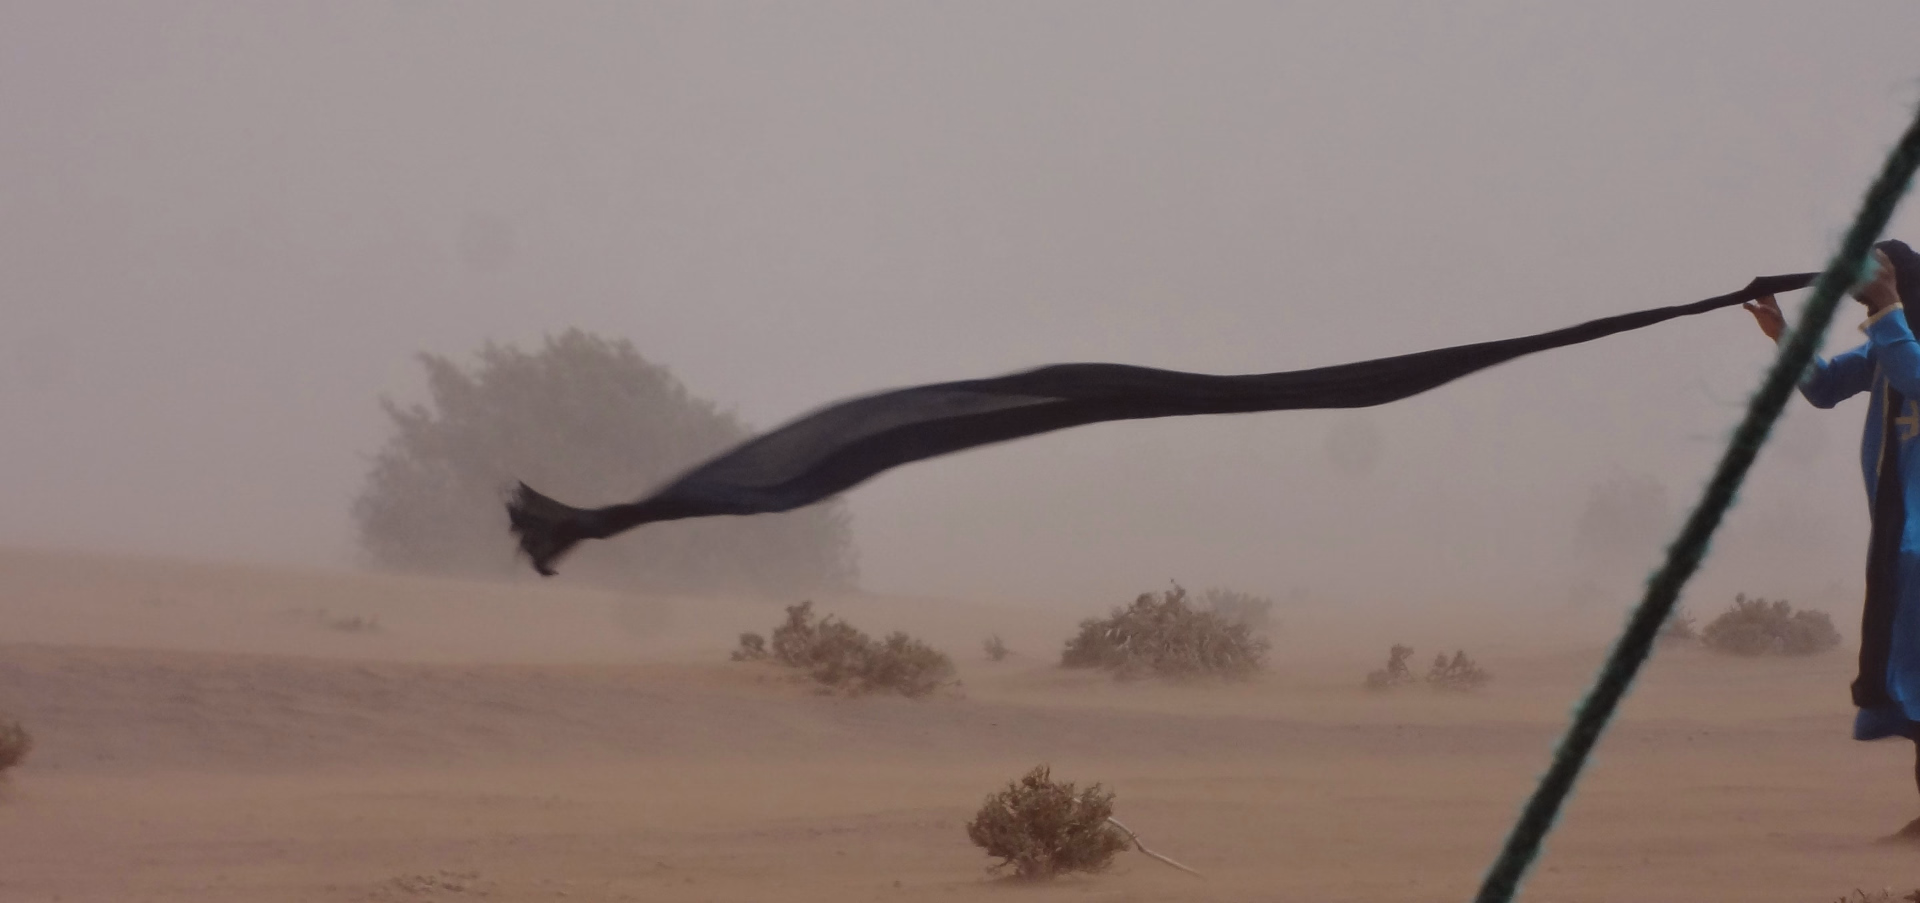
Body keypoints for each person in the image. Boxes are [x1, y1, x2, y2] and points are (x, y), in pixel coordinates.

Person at [1747, 239, 1920, 838]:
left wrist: (1888, 307)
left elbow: (1916, 378)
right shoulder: (1885, 346)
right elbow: (1821, 387)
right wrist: (1782, 335)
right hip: (1900, 550)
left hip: (1915, 549)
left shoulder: (1899, 345)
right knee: (1910, 686)